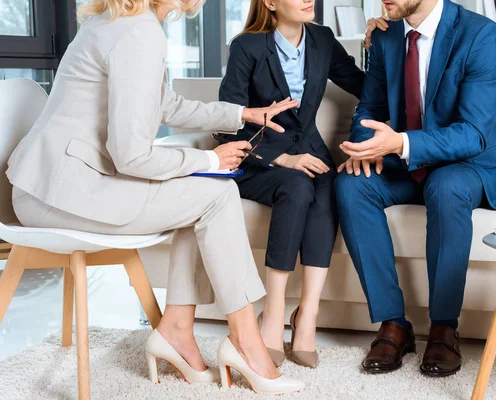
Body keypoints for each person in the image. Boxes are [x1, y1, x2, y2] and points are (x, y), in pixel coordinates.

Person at [6, 0, 305, 395]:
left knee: (205, 196)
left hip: (43, 187)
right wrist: (209, 158)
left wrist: (242, 116)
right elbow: (131, 155)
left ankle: (178, 330)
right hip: (63, 197)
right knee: (217, 194)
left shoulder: (116, 21)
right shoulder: (138, 32)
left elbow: (164, 104)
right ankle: (246, 342)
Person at [335, 0, 496, 377]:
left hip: (469, 164)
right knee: (351, 184)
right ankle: (393, 324)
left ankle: (444, 327)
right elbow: (370, 107)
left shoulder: (480, 34)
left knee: (446, 187)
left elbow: (475, 132)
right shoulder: (385, 37)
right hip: (406, 162)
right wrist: (363, 147)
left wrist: (399, 144)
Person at [218, 0, 364, 368]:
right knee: (297, 186)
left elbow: (365, 85)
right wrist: (281, 159)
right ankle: (274, 314)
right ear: (269, 2)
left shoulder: (322, 40)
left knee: (330, 184)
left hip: (309, 152)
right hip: (258, 159)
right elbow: (227, 121)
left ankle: (307, 317)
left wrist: (380, 40)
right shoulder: (247, 46)